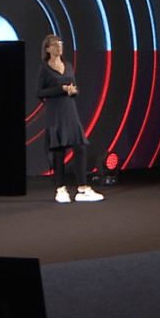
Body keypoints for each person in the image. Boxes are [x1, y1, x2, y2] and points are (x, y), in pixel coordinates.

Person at [36, 35, 104, 203]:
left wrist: (73, 91)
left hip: (70, 111)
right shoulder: (44, 69)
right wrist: (60, 89)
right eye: (55, 44)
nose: (59, 46)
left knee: (80, 147)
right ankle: (61, 189)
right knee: (59, 151)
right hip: (55, 112)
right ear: (47, 48)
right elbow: (39, 93)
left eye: (60, 43)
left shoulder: (68, 66)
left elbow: (72, 86)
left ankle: (82, 189)